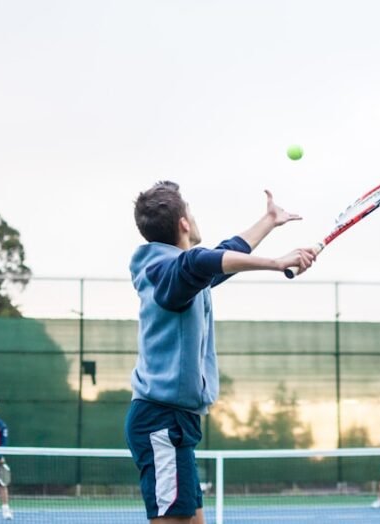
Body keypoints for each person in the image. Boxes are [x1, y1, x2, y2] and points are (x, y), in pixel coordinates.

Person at [125, 182, 315, 524]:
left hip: (175, 423)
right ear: (184, 223)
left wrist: (269, 221)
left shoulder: (175, 274)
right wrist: (277, 262)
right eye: (191, 213)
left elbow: (221, 255)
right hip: (162, 423)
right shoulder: (170, 274)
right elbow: (201, 262)